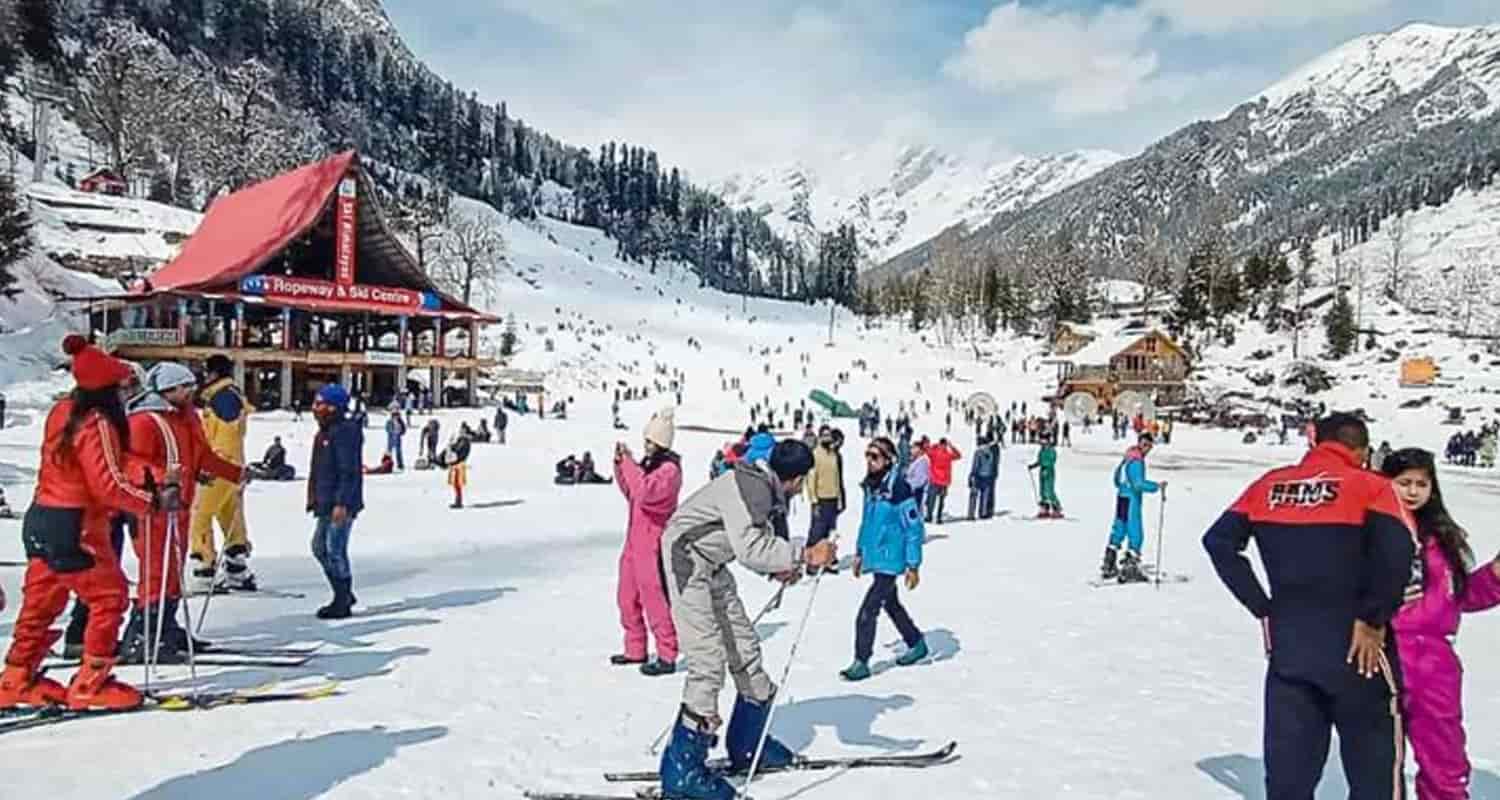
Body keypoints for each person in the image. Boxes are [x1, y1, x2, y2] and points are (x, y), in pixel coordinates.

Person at [1202, 413, 1416, 800]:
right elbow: (1399, 554)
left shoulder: (1268, 484)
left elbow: (1218, 542)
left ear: (1315, 443)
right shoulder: (1371, 487)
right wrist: (1372, 617)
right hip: (1358, 649)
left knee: (1289, 777)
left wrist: (1262, 606)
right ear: (1362, 451)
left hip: (1291, 648)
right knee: (1374, 772)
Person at [656, 440, 836, 800]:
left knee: (745, 648)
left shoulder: (761, 484)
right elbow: (750, 548)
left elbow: (751, 537)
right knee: (707, 661)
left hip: (712, 564)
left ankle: (747, 744)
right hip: (686, 561)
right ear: (797, 479)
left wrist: (784, 566)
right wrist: (804, 554)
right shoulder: (750, 486)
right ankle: (682, 770)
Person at [0, 335, 164, 711]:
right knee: (108, 597)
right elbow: (106, 482)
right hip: (78, 523)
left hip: (42, 517)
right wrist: (150, 502)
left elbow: (108, 463)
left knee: (41, 601)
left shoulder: (63, 412)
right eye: (123, 387)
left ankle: (16, 675)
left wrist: (149, 474)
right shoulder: (97, 422)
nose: (127, 395)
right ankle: (92, 681)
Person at [1381, 448, 1500, 800]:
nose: (1413, 491)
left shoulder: (1441, 537)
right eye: (1404, 483)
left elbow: (1458, 597)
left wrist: (1494, 576)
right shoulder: (1373, 531)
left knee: (1444, 755)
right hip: (1386, 652)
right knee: (1381, 757)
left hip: (1435, 661)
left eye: (1422, 483)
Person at [118, 362, 247, 663]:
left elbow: (201, 457)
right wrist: (163, 479)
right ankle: (145, 633)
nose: (191, 392)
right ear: (167, 390)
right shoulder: (145, 420)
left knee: (173, 569)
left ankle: (166, 626)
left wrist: (235, 473)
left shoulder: (183, 419)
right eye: (184, 387)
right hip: (155, 506)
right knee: (156, 569)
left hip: (180, 505)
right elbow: (132, 462)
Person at [840, 437, 928, 682]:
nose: (869, 461)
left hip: (892, 558)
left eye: (875, 456)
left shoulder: (899, 488)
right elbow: (867, 522)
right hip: (877, 557)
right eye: (867, 455)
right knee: (891, 603)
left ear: (889, 460)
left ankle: (861, 661)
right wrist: (860, 552)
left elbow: (913, 528)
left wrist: (913, 565)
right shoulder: (871, 485)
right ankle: (916, 641)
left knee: (868, 610)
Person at [612, 408, 684, 677]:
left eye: (650, 442)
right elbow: (631, 491)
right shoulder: (650, 466)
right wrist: (621, 465)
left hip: (652, 545)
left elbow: (644, 493)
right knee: (626, 598)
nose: (646, 446)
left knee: (655, 601)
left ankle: (667, 653)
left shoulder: (668, 471)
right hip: (633, 542)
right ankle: (635, 648)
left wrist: (630, 465)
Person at [188, 354, 255, 594]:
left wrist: (215, 467)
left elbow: (225, 440)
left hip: (219, 467)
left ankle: (205, 569)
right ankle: (237, 567)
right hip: (232, 468)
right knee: (229, 514)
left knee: (200, 515)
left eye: (206, 372)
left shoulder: (222, 398)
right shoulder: (227, 395)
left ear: (214, 373)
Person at [307, 384, 364, 619]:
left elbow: (348, 470)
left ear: (333, 407)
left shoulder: (344, 431)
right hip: (325, 499)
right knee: (319, 547)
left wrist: (342, 503)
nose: (315, 408)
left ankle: (342, 599)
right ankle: (343, 591)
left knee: (335, 549)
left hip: (341, 502)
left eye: (319, 404)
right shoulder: (325, 431)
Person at [1099, 432, 1166, 583]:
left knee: (1119, 528)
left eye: (1149, 446)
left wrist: (1124, 486)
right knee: (1135, 531)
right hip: (1131, 499)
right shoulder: (1137, 460)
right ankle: (1130, 567)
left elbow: (1116, 479)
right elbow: (1138, 483)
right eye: (1145, 445)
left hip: (1122, 497)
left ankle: (1109, 562)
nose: (1147, 449)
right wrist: (1156, 486)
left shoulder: (1127, 458)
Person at [804, 428, 844, 575]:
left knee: (830, 531)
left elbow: (837, 478)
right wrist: (814, 501)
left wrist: (840, 498)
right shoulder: (816, 454)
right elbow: (811, 479)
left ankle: (827, 560)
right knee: (817, 531)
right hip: (821, 498)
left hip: (833, 498)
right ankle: (811, 562)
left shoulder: (834, 455)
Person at [925, 437, 961, 525]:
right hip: (944, 481)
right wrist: (951, 446)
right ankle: (939, 518)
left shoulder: (934, 453)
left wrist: (935, 445)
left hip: (934, 480)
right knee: (941, 501)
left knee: (931, 500)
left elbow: (927, 450)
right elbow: (958, 455)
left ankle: (929, 516)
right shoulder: (948, 454)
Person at [1028, 433, 1063, 518]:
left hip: (1049, 471)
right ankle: (1044, 508)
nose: (1042, 441)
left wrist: (1045, 466)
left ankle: (1056, 507)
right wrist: (1033, 465)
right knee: (1042, 491)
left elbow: (1051, 461)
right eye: (1041, 440)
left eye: (1043, 440)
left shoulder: (1051, 450)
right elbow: (1040, 460)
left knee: (1049, 490)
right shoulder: (1042, 450)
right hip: (1042, 471)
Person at [967, 435, 999, 521]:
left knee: (973, 495)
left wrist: (972, 475)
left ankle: (971, 514)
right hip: (988, 475)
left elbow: (975, 465)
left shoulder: (978, 452)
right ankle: (983, 512)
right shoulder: (990, 452)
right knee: (984, 495)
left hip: (978, 476)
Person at [444, 432, 472, 509]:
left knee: (457, 483)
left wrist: (452, 448)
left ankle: (458, 501)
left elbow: (459, 452)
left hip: (459, 464)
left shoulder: (464, 442)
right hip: (457, 463)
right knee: (455, 483)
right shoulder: (461, 441)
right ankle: (458, 500)